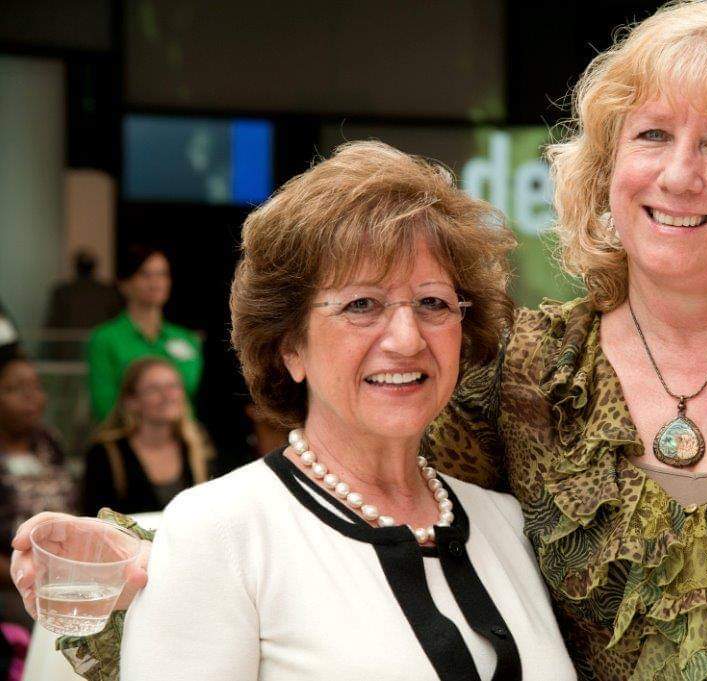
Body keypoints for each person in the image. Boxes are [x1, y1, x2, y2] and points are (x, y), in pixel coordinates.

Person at [10, 2, 707, 678]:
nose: (678, 175)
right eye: (651, 136)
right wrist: (143, 550)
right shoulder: (523, 371)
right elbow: (362, 510)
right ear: (605, 168)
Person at [12, 142, 577, 680]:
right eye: (362, 304)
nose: (406, 338)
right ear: (291, 347)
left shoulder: (507, 524)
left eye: (433, 303)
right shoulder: (218, 533)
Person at [80, 356, 216, 516]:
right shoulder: (105, 453)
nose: (167, 396)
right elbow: (93, 520)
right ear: (131, 401)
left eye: (173, 386)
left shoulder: (199, 446)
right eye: (154, 389)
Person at [0, 345, 76, 627]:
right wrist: (34, 575)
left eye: (36, 386)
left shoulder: (49, 441)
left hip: (64, 577)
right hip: (11, 585)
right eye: (15, 388)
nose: (30, 396)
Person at [86, 245, 203, 422]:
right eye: (145, 274)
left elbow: (193, 399)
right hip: (127, 438)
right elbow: (104, 405)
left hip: (181, 440)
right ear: (124, 284)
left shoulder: (186, 338)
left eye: (162, 274)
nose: (156, 282)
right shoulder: (104, 338)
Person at [45, 249, 123, 331]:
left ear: (76, 267)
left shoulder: (62, 292)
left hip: (82, 341)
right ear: (94, 267)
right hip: (87, 341)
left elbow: (53, 324)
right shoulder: (108, 292)